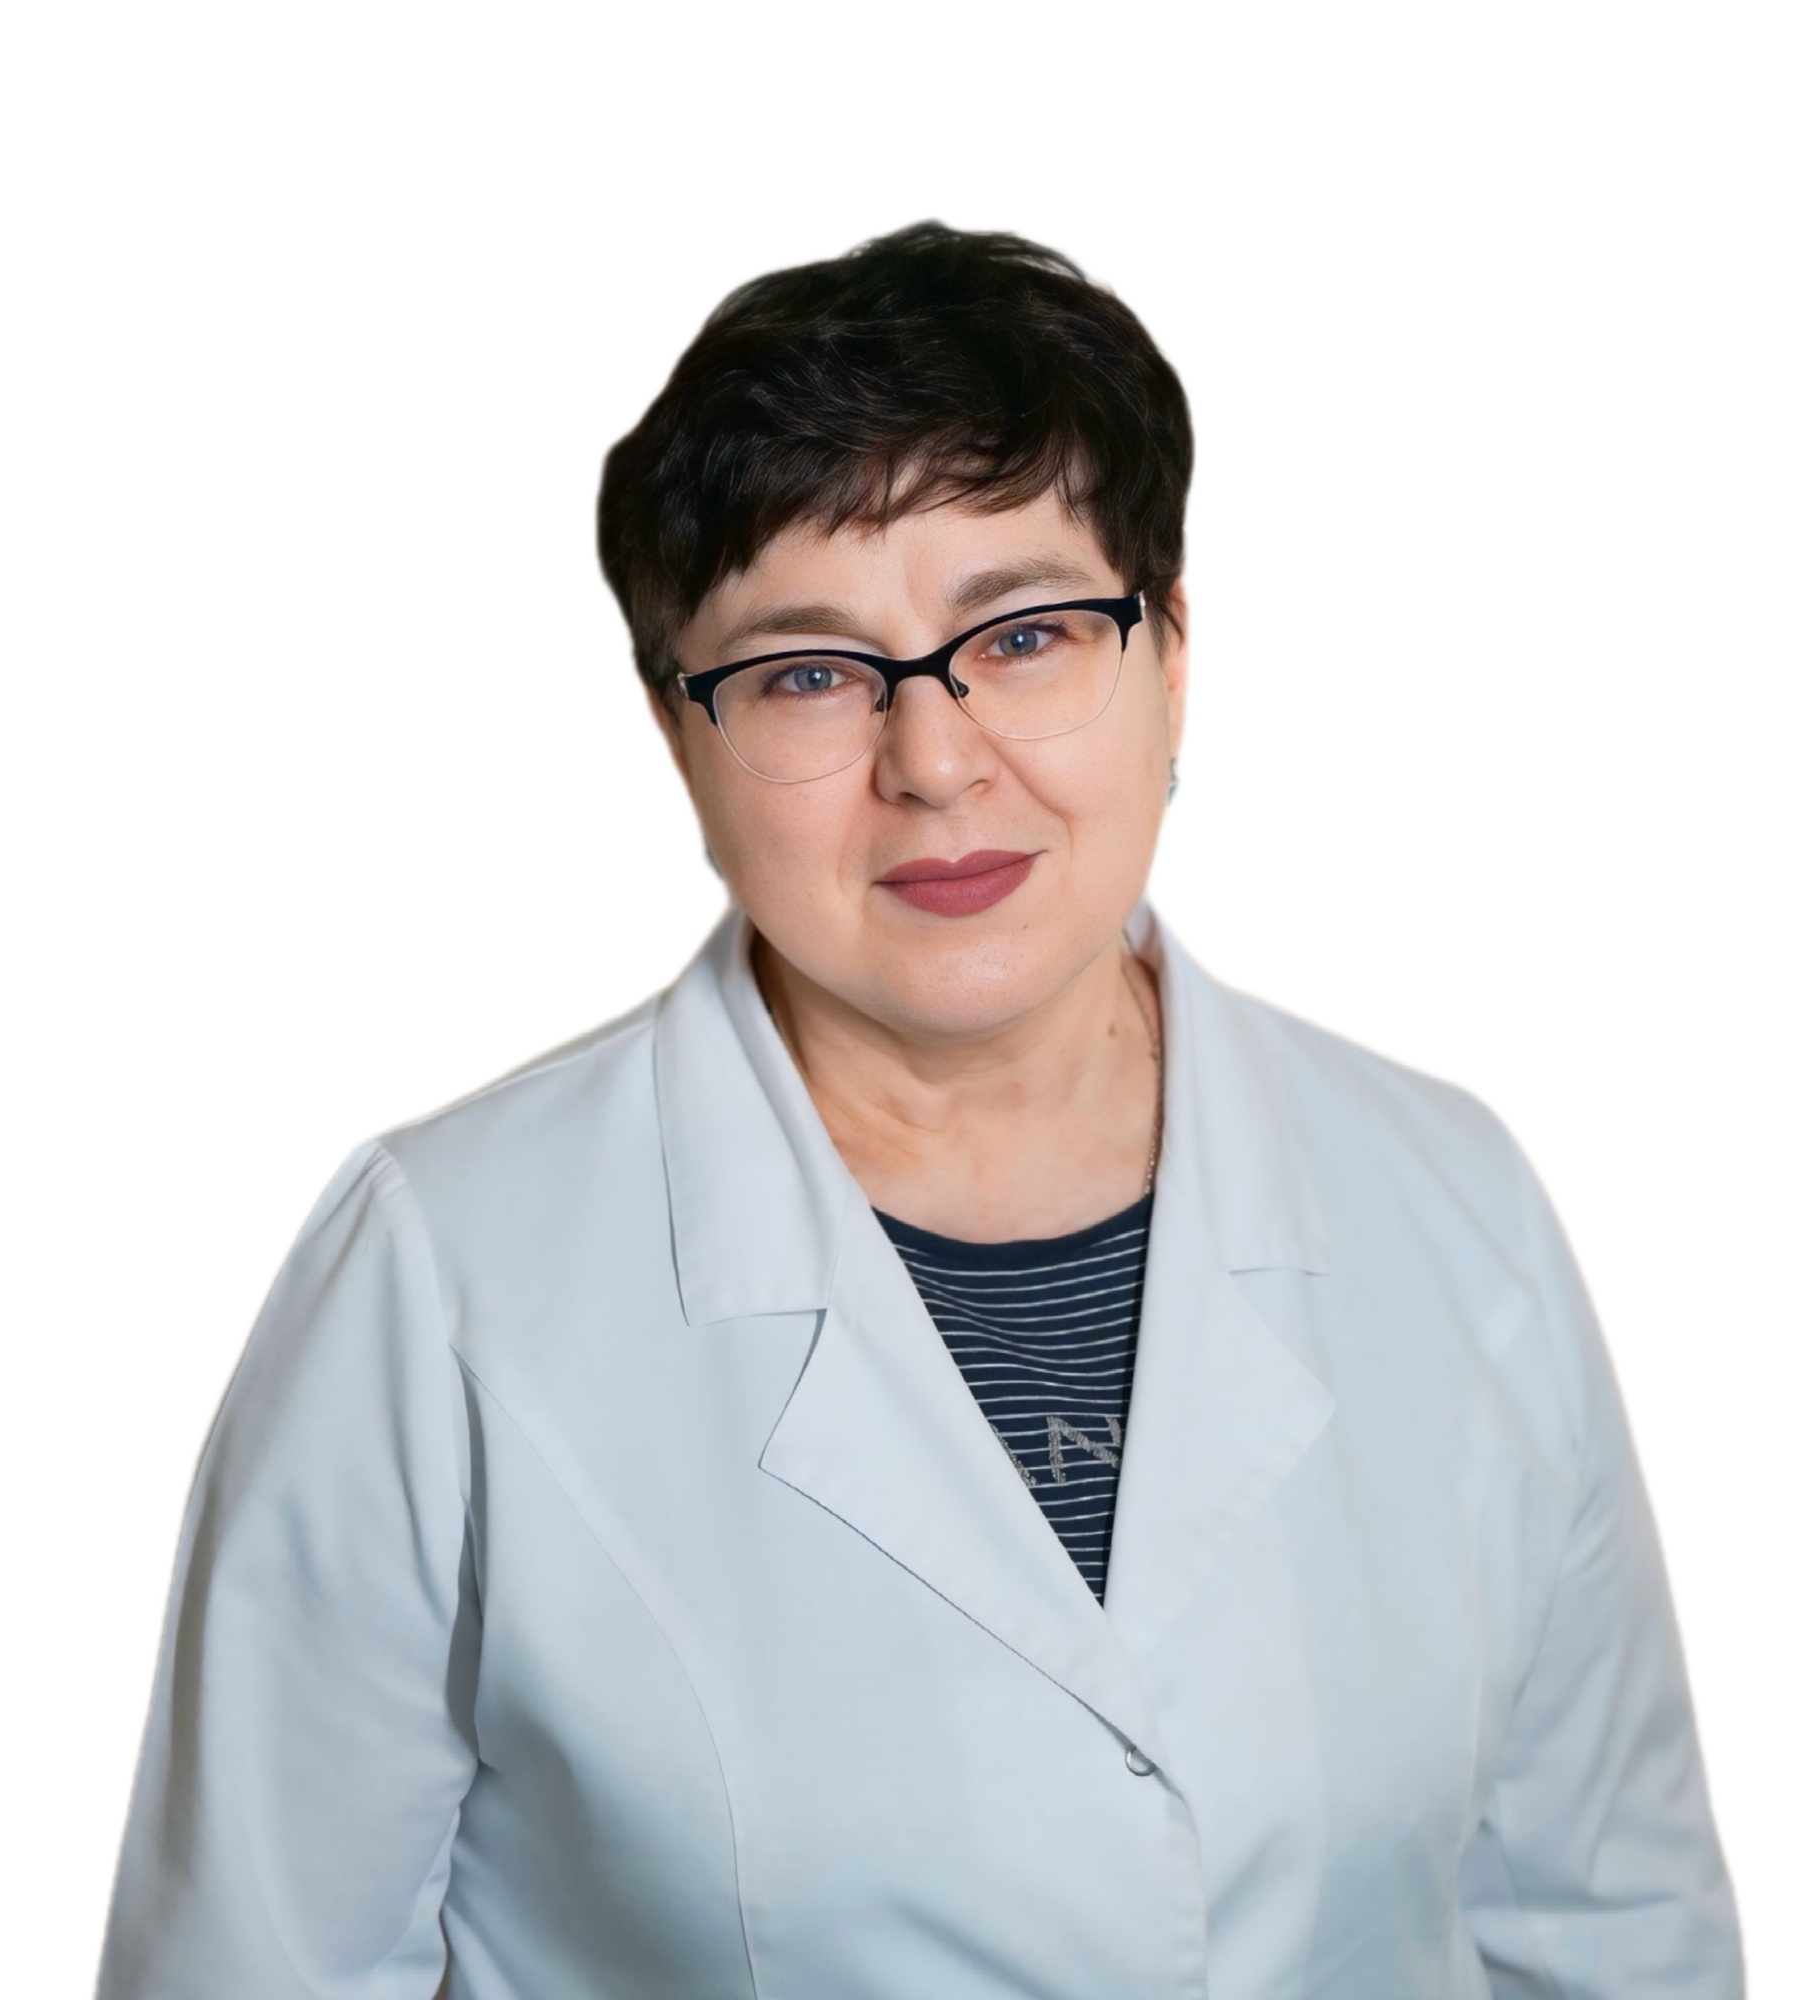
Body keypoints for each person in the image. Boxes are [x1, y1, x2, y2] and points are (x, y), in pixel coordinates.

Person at [95, 223, 1742, 1998]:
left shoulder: (1453, 1207)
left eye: (1025, 636)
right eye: (807, 673)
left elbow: (1611, 1944)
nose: (936, 762)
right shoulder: (441, 1282)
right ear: (678, 735)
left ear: (1173, 652)